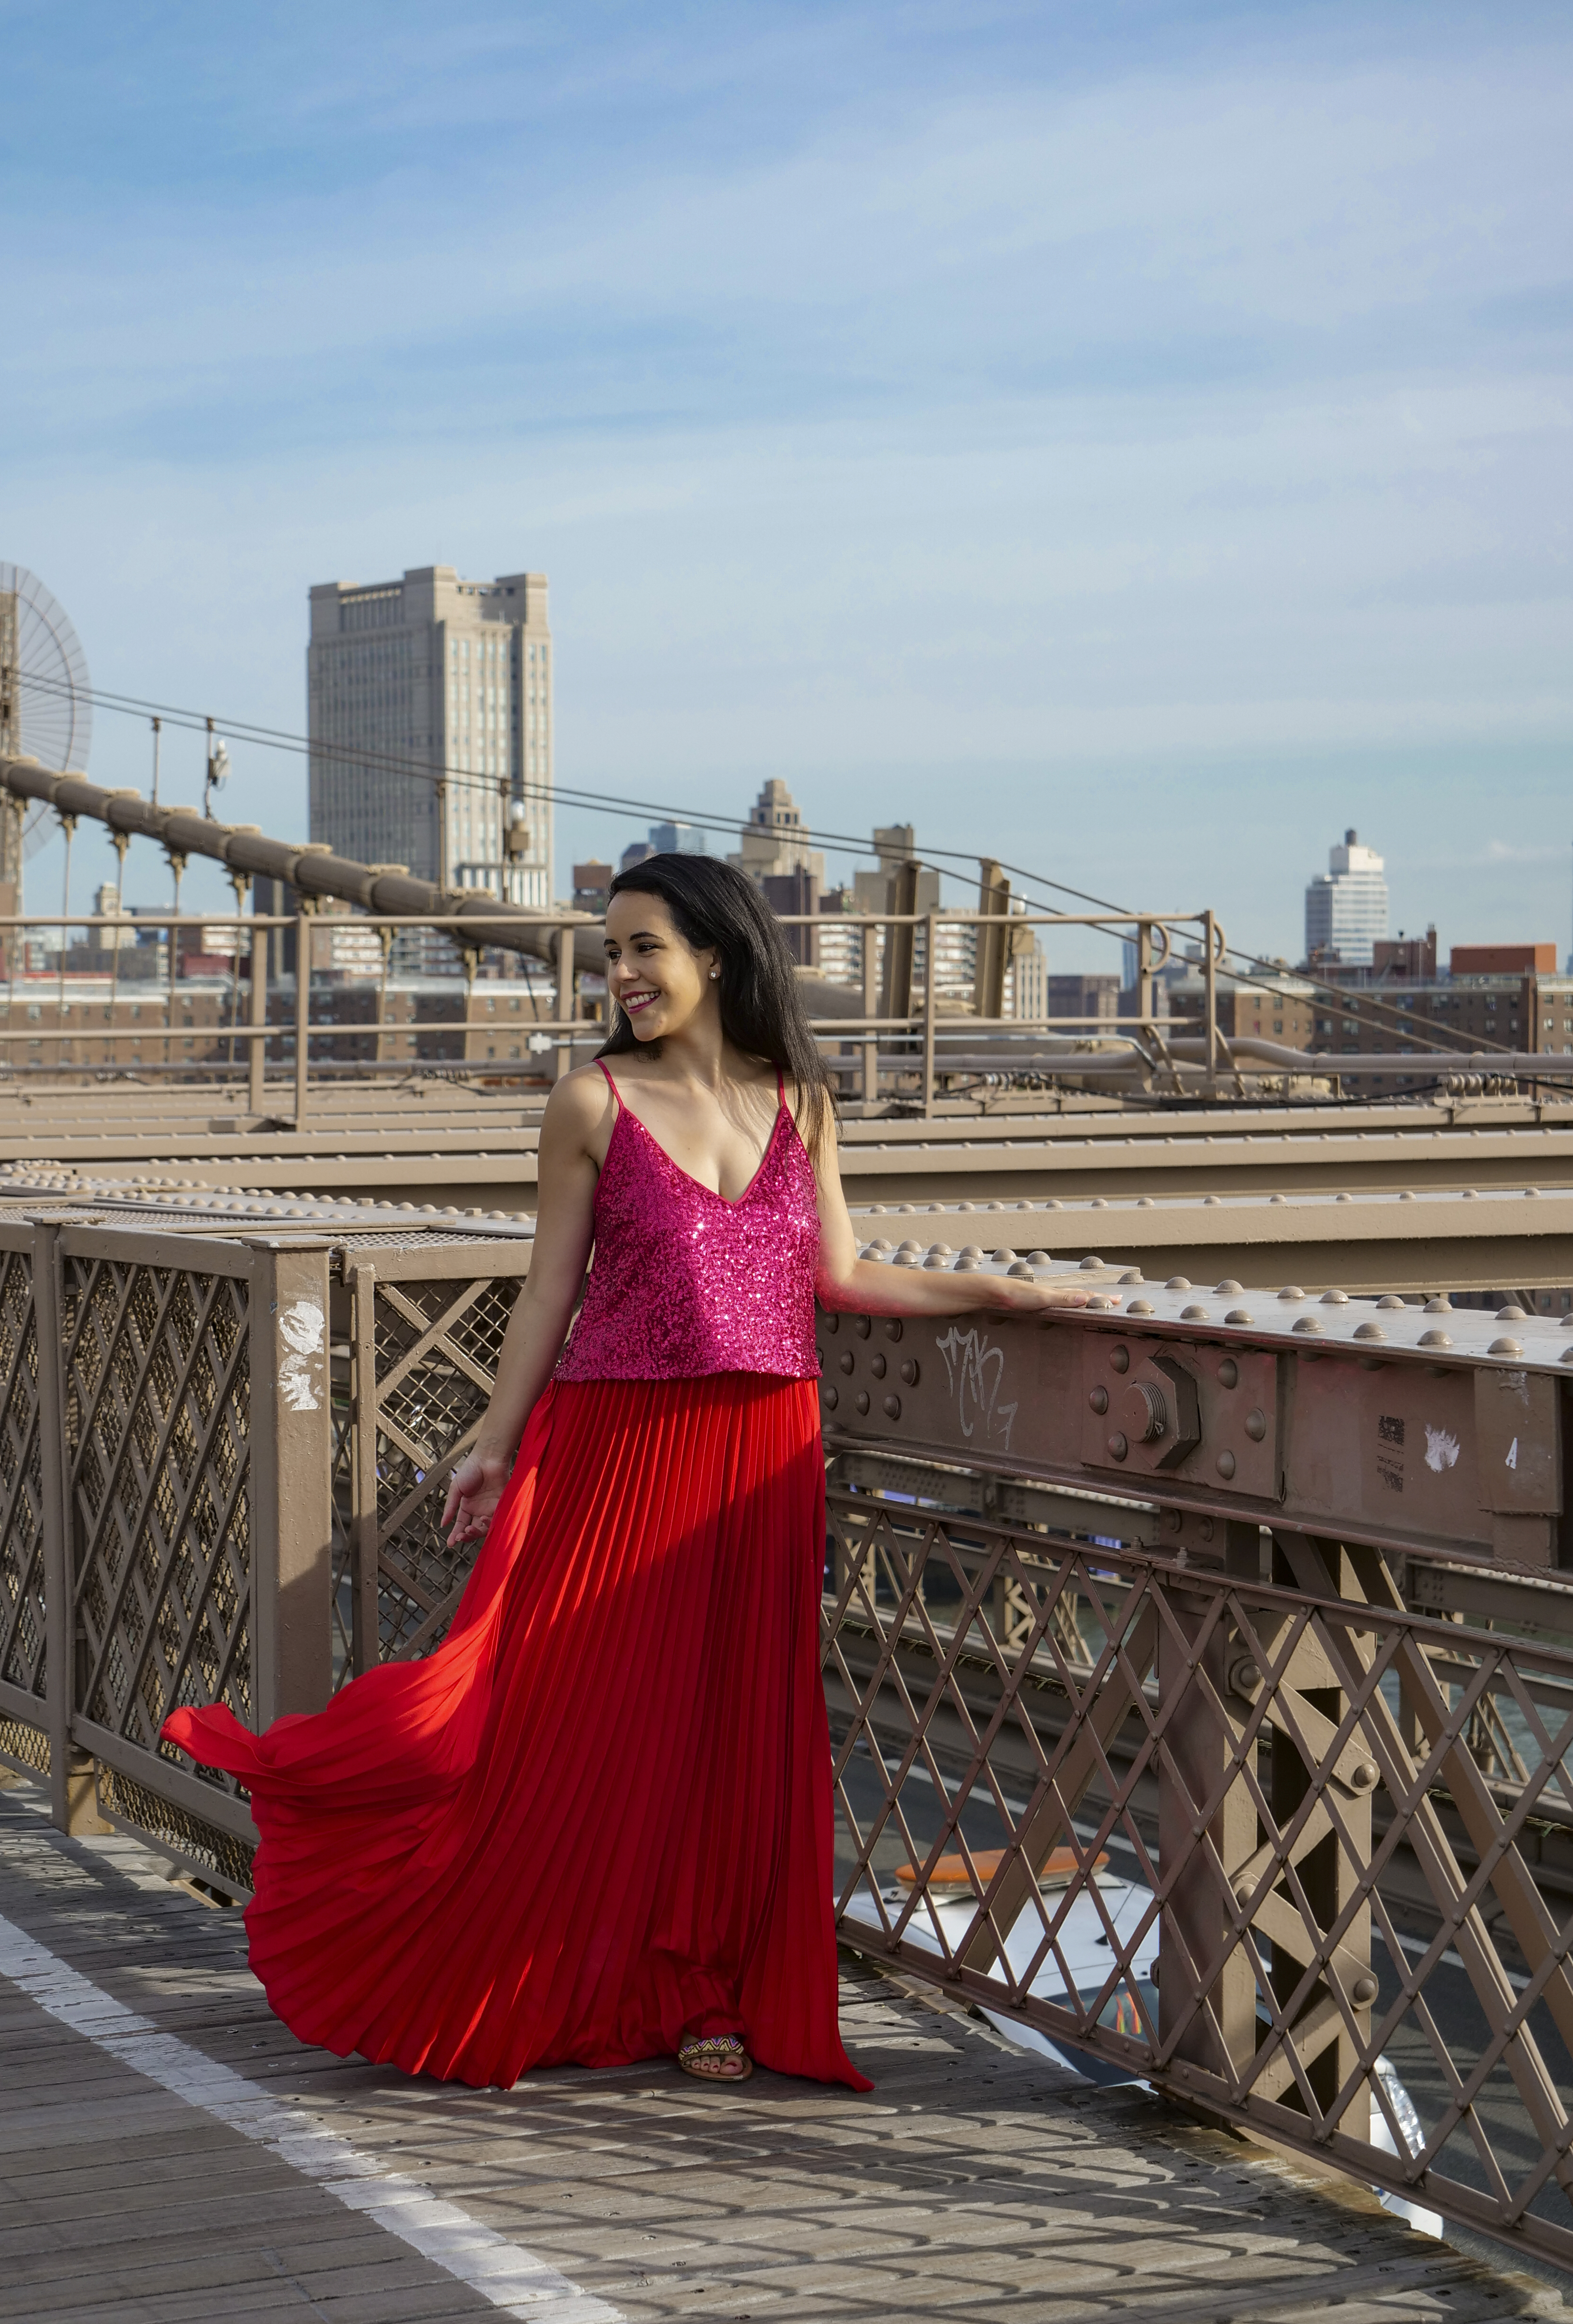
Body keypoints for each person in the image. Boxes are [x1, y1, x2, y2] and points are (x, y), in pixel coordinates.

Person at [162, 852, 1099, 2092]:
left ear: (716, 953)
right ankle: (556, 1969)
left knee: (733, 1735)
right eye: (611, 954)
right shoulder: (590, 1103)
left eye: (642, 948)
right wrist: (495, 1443)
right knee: (567, 1722)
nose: (622, 975)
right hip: (618, 1449)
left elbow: (842, 1276)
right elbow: (551, 1288)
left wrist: (999, 1290)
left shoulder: (800, 1102)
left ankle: (702, 1989)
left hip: (766, 1451)